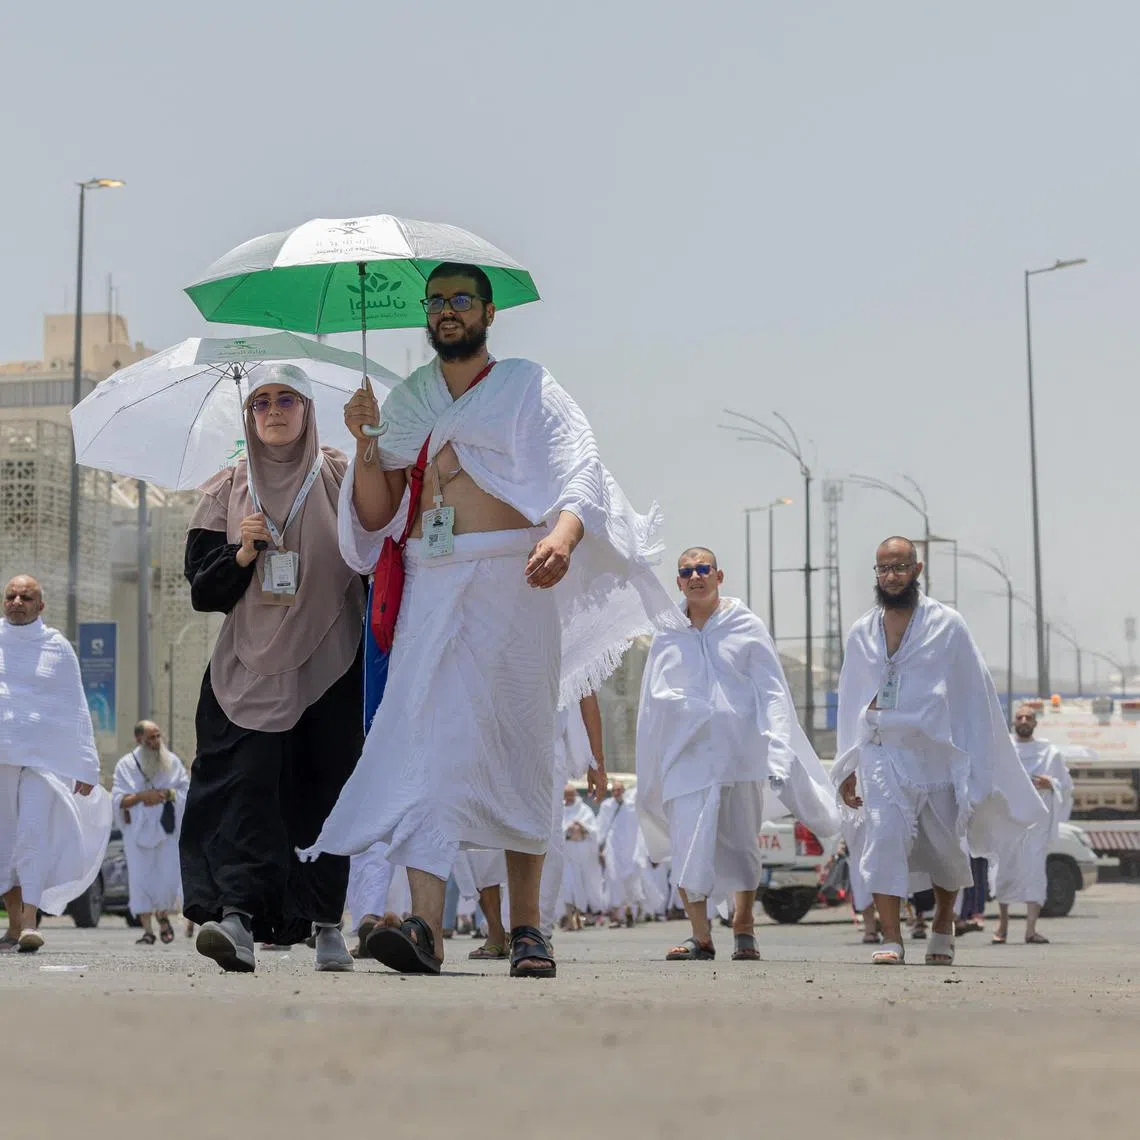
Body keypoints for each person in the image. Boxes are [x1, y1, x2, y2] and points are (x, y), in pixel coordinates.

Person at [299, 261, 677, 978]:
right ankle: (424, 928)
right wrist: (367, 442)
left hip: (514, 580)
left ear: (488, 312)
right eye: (436, 301)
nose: (446, 311)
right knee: (423, 751)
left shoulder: (530, 388)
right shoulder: (407, 400)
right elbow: (377, 516)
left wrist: (562, 537)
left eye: (460, 300)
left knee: (519, 748)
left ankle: (529, 929)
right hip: (432, 586)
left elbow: (580, 467)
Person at [180, 364, 365, 974]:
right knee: (246, 794)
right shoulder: (225, 490)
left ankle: (326, 925)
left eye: (287, 399)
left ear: (308, 411)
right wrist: (242, 552)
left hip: (328, 666)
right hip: (248, 672)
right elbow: (204, 593)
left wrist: (370, 442)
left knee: (323, 792)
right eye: (261, 402)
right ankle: (236, 918)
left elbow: (376, 548)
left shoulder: (340, 475)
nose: (274, 410)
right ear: (249, 416)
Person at [833, 537, 1048, 966]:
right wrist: (847, 766)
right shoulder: (861, 631)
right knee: (883, 834)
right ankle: (891, 939)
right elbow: (850, 698)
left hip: (936, 754)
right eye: (883, 569)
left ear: (917, 569)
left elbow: (975, 698)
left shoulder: (948, 625)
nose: (891, 577)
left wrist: (976, 765)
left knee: (947, 849)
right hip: (881, 751)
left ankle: (944, 923)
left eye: (899, 567)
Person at [636, 548, 839, 961]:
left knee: (740, 843)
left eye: (703, 569)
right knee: (687, 842)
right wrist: (681, 709)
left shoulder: (745, 625)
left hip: (737, 755)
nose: (695, 576)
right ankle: (700, 935)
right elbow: (651, 699)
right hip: (685, 756)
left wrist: (779, 744)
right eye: (686, 571)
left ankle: (744, 924)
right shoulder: (667, 631)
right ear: (678, 582)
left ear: (718, 575)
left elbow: (772, 690)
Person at [0, 575, 110, 952]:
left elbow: (74, 707)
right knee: (5, 841)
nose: (16, 601)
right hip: (2, 757)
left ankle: (30, 922)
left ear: (40, 606)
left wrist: (85, 765)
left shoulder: (57, 647)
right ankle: (14, 926)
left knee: (32, 833)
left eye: (25, 597)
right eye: (10, 596)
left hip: (42, 762)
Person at [992, 704, 1074, 945]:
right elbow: (991, 779)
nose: (1024, 720)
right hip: (1009, 820)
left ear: (1035, 723)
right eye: (1020, 717)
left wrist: (1052, 784)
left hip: (1036, 824)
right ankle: (1003, 925)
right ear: (1014, 722)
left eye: (1029, 717)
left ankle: (1030, 929)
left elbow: (1065, 785)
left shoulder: (1050, 753)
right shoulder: (1003, 750)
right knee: (1004, 871)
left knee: (1035, 873)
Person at [112, 720, 189, 945]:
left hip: (166, 831)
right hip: (137, 834)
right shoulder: (126, 765)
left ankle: (163, 917)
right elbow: (118, 799)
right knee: (141, 880)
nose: (156, 742)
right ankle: (147, 930)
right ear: (139, 740)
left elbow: (185, 790)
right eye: (151, 738)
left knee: (167, 878)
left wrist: (168, 795)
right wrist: (141, 798)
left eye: (158, 736)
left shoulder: (172, 762)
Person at [597, 781, 644, 928]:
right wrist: (599, 847)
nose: (616, 793)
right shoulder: (606, 806)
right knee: (613, 879)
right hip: (612, 849)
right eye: (614, 790)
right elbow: (601, 826)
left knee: (630, 880)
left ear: (623, 791)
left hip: (629, 850)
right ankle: (617, 916)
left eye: (619, 790)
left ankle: (629, 911)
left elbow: (639, 829)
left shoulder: (632, 806)